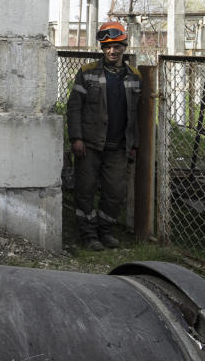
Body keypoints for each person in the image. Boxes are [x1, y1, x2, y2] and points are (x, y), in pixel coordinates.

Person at [66, 21, 142, 251]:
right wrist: (76, 138)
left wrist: (134, 143)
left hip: (119, 146)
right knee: (85, 189)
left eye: (117, 46)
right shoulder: (87, 72)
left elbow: (136, 114)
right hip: (89, 144)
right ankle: (88, 234)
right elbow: (74, 107)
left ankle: (105, 231)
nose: (112, 51)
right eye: (107, 46)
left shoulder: (135, 76)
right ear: (102, 48)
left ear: (124, 47)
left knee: (115, 192)